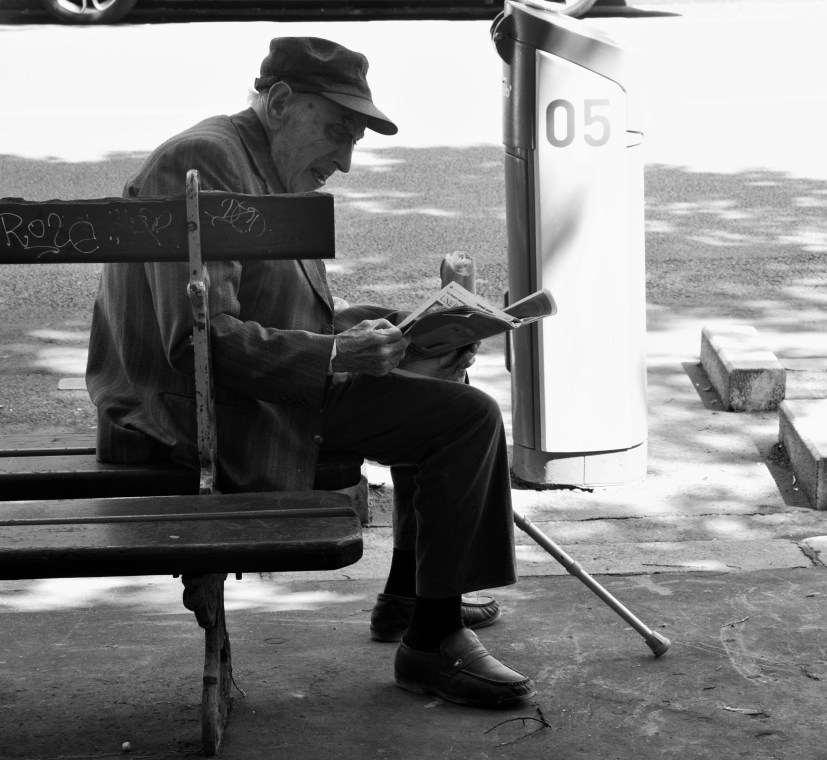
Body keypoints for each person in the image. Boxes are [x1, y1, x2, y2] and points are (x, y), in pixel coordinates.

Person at [85, 36, 535, 709]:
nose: (346, 161)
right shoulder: (207, 161)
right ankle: (430, 640)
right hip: (193, 415)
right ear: (279, 103)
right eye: (336, 130)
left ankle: (410, 598)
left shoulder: (256, 161)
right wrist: (336, 355)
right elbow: (197, 343)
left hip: (238, 393)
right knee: (465, 422)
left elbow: (279, 313)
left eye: (353, 138)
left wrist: (401, 334)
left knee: (440, 385)